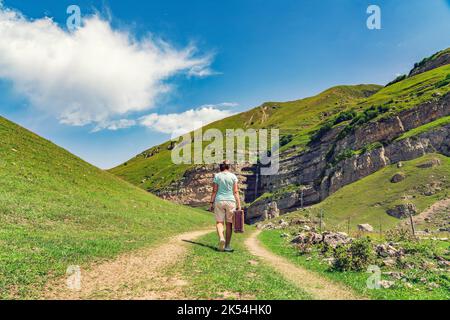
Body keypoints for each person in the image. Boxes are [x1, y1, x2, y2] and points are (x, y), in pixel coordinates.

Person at [209, 160, 241, 252]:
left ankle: (221, 238)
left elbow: (214, 191)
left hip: (219, 200)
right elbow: (235, 191)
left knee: (219, 222)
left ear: (221, 167)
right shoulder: (233, 176)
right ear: (229, 167)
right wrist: (239, 204)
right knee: (229, 224)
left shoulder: (217, 176)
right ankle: (227, 246)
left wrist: (211, 203)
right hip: (231, 201)